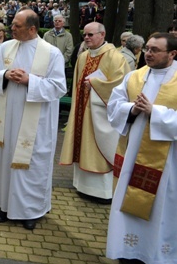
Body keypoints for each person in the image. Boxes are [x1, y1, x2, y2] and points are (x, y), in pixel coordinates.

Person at [0, 8, 66, 230]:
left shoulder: (51, 53)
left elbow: (59, 87)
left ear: (32, 29)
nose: (12, 28)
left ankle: (31, 210)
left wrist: (31, 80)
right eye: (12, 24)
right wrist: (5, 75)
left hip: (36, 122)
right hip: (7, 119)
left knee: (32, 164)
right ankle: (4, 205)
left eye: (17, 26)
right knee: (5, 158)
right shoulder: (6, 47)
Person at [106, 33, 177, 264]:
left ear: (172, 54)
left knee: (162, 206)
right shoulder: (134, 77)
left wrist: (154, 112)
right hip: (132, 156)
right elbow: (114, 106)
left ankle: (155, 254)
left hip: (167, 162)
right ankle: (128, 251)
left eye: (155, 50)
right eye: (147, 48)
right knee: (128, 199)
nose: (148, 53)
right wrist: (132, 110)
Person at [60, 22, 130, 203]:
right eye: (85, 35)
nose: (87, 38)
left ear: (102, 34)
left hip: (100, 114)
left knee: (99, 149)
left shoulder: (115, 58)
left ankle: (103, 192)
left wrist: (96, 85)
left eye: (91, 35)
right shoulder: (83, 56)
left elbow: (121, 85)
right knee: (82, 144)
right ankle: (82, 186)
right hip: (82, 111)